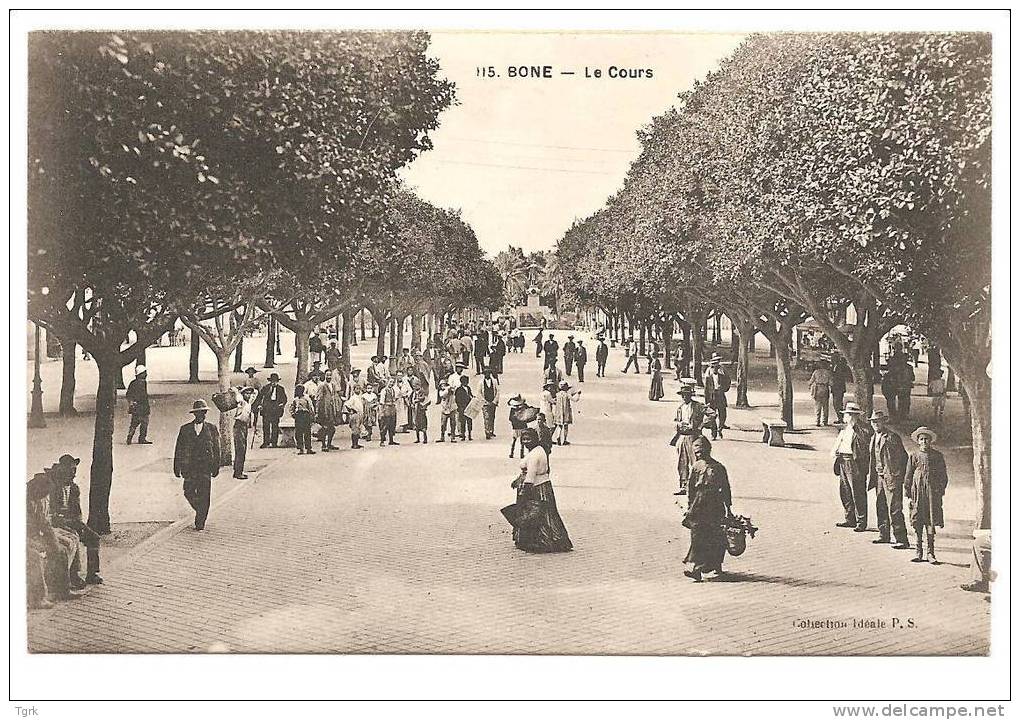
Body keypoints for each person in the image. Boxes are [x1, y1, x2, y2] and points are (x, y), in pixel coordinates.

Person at [509, 428, 573, 553]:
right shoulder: (539, 450)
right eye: (524, 439)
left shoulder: (534, 455)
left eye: (528, 439)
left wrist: (524, 493)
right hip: (544, 486)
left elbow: (531, 475)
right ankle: (556, 539)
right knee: (548, 514)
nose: (526, 442)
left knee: (533, 514)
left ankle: (540, 541)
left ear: (535, 439)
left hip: (536, 488)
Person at [48, 454, 103, 586]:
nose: (73, 474)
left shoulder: (73, 488)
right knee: (73, 538)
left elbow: (77, 511)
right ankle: (73, 575)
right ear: (61, 469)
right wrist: (67, 523)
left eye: (74, 470)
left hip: (71, 522)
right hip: (56, 523)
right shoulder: (51, 485)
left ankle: (92, 574)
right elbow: (50, 513)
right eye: (70, 470)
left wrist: (78, 523)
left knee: (94, 538)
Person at [682, 436, 732, 581]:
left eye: (702, 452)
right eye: (696, 452)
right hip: (698, 505)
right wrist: (689, 506)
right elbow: (690, 488)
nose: (699, 455)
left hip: (714, 505)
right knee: (698, 536)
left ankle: (715, 565)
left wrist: (728, 507)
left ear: (708, 451)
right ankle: (697, 568)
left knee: (715, 535)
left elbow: (726, 488)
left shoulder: (718, 467)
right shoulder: (696, 467)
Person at [173, 400, 221, 530]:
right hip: (190, 468)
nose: (201, 415)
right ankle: (200, 510)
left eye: (203, 412)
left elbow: (216, 449)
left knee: (205, 494)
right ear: (194, 414)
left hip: (205, 467)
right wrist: (177, 468)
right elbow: (179, 449)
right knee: (188, 491)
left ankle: (200, 521)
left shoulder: (212, 429)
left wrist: (216, 466)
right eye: (198, 413)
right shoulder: (185, 429)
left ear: (205, 413)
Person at [905, 427, 949, 564]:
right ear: (918, 441)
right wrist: (908, 491)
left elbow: (943, 476)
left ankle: (931, 552)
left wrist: (939, 490)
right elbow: (908, 475)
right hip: (918, 493)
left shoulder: (937, 456)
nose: (924, 441)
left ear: (930, 441)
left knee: (930, 520)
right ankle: (918, 551)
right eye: (921, 439)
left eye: (926, 439)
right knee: (918, 520)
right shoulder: (914, 456)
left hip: (932, 494)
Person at [867, 410, 910, 549]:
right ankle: (883, 534)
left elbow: (904, 457)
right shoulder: (874, 437)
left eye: (878, 421)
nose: (875, 424)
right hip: (879, 477)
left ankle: (901, 539)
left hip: (891, 478)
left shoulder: (892, 437)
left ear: (884, 422)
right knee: (881, 505)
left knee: (895, 508)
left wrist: (898, 475)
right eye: (873, 422)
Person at [831, 401, 870, 532]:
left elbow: (864, 446)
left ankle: (861, 521)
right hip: (843, 460)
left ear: (853, 415)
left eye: (847, 415)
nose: (844, 417)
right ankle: (850, 518)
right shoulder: (845, 428)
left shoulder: (863, 429)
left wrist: (856, 427)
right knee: (845, 491)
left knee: (857, 492)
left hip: (855, 463)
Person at [673, 381, 705, 496]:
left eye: (686, 395)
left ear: (690, 395)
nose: (684, 397)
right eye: (682, 395)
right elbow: (676, 420)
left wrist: (700, 426)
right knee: (682, 463)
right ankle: (684, 486)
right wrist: (679, 424)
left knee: (695, 462)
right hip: (682, 437)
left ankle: (697, 486)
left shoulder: (697, 406)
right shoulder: (680, 408)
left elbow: (711, 414)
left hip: (693, 437)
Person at [254, 373, 287, 448]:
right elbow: (259, 397)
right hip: (266, 409)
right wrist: (259, 405)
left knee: (275, 427)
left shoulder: (281, 389)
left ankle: (274, 442)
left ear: (278, 381)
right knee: (266, 427)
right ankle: (266, 442)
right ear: (270, 381)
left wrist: (282, 404)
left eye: (275, 381)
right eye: (272, 381)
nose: (274, 382)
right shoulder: (265, 388)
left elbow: (284, 398)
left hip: (276, 409)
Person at [232, 386, 256, 479]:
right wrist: (238, 391)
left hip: (244, 426)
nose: (249, 395)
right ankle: (238, 472)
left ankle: (238, 470)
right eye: (246, 393)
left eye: (249, 393)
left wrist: (248, 389)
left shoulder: (249, 403)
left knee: (243, 449)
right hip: (239, 425)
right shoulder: (241, 402)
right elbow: (237, 396)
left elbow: (256, 393)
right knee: (240, 449)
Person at [125, 364, 152, 444]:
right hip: (142, 407)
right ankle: (142, 438)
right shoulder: (143, 383)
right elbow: (143, 396)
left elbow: (128, 394)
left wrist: (131, 402)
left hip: (135, 407)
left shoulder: (132, 383)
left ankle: (130, 436)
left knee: (134, 423)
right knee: (144, 423)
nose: (146, 374)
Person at [290, 384, 316, 455]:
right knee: (298, 433)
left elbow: (310, 407)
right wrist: (293, 414)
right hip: (298, 416)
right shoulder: (295, 399)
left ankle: (308, 448)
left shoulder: (306, 398)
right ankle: (300, 448)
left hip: (305, 415)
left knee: (307, 433)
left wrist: (312, 416)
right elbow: (292, 408)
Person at [808, 357, 834, 427]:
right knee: (825, 406)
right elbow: (831, 383)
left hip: (817, 389)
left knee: (818, 405)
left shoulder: (816, 372)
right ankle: (825, 421)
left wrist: (810, 386)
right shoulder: (828, 373)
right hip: (825, 388)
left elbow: (811, 381)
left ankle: (817, 421)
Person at [554, 380, 579, 445]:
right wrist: (578, 394)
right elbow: (575, 400)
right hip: (566, 411)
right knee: (565, 426)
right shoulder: (567, 394)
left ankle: (558, 437)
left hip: (558, 412)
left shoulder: (557, 394)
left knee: (559, 426)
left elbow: (554, 401)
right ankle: (564, 440)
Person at [479, 367, 500, 439]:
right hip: (485, 403)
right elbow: (479, 393)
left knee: (492, 417)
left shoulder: (494, 381)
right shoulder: (481, 382)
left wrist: (495, 401)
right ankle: (487, 432)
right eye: (485, 373)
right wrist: (484, 401)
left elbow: (497, 392)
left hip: (492, 402)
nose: (487, 374)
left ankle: (491, 430)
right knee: (486, 417)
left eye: (488, 373)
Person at [378, 377, 400, 446]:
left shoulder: (393, 390)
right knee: (385, 425)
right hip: (386, 408)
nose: (391, 383)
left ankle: (391, 440)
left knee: (392, 424)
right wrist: (382, 411)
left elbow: (394, 399)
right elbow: (381, 401)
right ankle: (382, 441)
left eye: (393, 382)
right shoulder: (384, 390)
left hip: (392, 408)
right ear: (387, 382)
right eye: (390, 382)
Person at [507, 394, 529, 459]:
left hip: (515, 427)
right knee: (522, 441)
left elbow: (510, 418)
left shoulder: (513, 410)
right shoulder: (524, 407)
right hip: (523, 426)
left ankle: (511, 453)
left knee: (514, 440)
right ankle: (521, 454)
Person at [831, 354, 851, 424]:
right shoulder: (836, 366)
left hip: (838, 388)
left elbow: (838, 377)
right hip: (836, 388)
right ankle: (840, 418)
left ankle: (840, 418)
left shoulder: (839, 367)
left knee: (837, 404)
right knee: (837, 404)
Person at [455, 375, 474, 441]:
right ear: (462, 382)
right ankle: (463, 435)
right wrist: (459, 406)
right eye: (465, 381)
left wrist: (472, 397)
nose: (466, 383)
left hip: (468, 407)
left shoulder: (468, 388)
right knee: (463, 422)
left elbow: (471, 395)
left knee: (469, 422)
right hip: (462, 407)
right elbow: (457, 399)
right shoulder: (458, 389)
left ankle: (469, 434)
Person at [411, 379, 431, 443]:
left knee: (423, 424)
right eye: (413, 385)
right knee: (416, 424)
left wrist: (417, 400)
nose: (415, 387)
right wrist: (412, 403)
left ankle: (425, 439)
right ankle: (418, 439)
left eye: (416, 385)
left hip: (421, 410)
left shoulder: (422, 391)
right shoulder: (413, 392)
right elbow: (411, 398)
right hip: (415, 410)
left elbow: (424, 398)